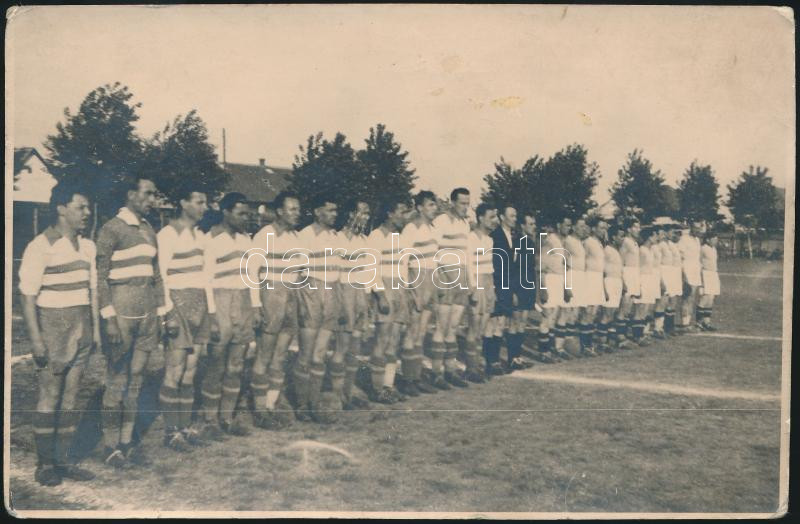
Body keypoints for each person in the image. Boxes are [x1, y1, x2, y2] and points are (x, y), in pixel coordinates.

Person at [20, 181, 99, 486]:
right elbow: (27, 296)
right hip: (53, 329)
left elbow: (91, 292)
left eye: (88, 207)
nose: (87, 213)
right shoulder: (40, 245)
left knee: (71, 396)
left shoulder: (88, 247)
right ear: (61, 208)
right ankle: (44, 464)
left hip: (81, 329)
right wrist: (36, 339)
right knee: (50, 395)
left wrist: (93, 332)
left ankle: (63, 460)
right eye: (81, 207)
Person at [96, 177, 167, 469]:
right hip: (121, 308)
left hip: (147, 309)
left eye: (154, 194)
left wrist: (161, 312)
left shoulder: (150, 229)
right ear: (130, 194)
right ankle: (109, 446)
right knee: (117, 379)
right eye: (147, 194)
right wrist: (109, 317)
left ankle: (127, 443)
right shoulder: (112, 228)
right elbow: (100, 277)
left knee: (136, 379)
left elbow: (157, 274)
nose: (152, 200)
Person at [200, 192, 261, 438]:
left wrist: (255, 306)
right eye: (240, 213)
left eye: (247, 214)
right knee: (216, 363)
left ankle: (227, 418)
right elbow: (205, 280)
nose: (246, 218)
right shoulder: (210, 239)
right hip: (220, 301)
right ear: (226, 212)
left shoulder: (247, 240)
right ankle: (210, 420)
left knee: (236, 365)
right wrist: (212, 315)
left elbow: (252, 276)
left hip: (243, 302)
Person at [156, 186, 211, 451]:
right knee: (175, 370)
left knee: (190, 370)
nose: (204, 207)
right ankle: (170, 432)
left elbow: (206, 277)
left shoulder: (201, 236)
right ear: (183, 202)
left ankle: (184, 427)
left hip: (200, 305)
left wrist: (209, 311)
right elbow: (160, 277)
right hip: (177, 305)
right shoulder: (167, 235)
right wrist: (167, 313)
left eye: (205, 202)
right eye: (199, 201)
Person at [249, 191, 303, 430]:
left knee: (280, 356)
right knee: (264, 355)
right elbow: (252, 272)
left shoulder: (296, 237)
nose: (297, 213)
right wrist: (256, 305)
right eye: (292, 209)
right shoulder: (264, 235)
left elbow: (301, 270)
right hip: (270, 294)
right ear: (280, 211)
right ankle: (260, 410)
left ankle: (272, 406)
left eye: (298, 209)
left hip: (291, 296)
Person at [293, 197, 343, 423]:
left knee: (320, 354)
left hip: (331, 291)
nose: (334, 214)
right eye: (330, 210)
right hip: (311, 290)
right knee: (306, 353)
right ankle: (301, 404)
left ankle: (314, 402)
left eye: (336, 210)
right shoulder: (305, 235)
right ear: (317, 211)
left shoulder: (335, 236)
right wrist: (304, 298)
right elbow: (298, 272)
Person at [363, 201, 412, 403]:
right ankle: (376, 389)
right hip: (385, 289)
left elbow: (404, 267)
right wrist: (380, 294)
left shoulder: (400, 237)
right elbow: (371, 268)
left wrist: (406, 289)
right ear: (390, 213)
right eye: (402, 212)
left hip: (400, 290)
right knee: (382, 341)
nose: (405, 216)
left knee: (394, 341)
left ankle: (388, 385)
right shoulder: (376, 236)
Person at [397, 191, 440, 395]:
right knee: (412, 332)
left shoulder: (433, 228)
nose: (434, 208)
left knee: (422, 333)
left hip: (431, 280)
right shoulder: (411, 228)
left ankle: (416, 377)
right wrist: (408, 288)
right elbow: (403, 261)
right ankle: (407, 380)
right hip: (417, 279)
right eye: (430, 205)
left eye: (435, 204)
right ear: (420, 207)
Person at [430, 188, 472, 389]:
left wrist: (469, 280)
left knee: (453, 327)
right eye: (462, 203)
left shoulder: (465, 224)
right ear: (452, 202)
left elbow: (467, 255)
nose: (465, 207)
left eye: (467, 203)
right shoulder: (441, 221)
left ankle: (450, 370)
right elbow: (434, 251)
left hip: (461, 277)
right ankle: (436, 374)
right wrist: (444, 275)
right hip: (446, 277)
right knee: (442, 326)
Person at [337, 200, 377, 408]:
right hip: (343, 293)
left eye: (368, 214)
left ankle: (348, 391)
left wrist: (367, 298)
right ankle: (337, 395)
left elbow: (368, 271)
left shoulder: (365, 240)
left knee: (355, 347)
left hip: (360, 294)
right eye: (363, 213)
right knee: (342, 346)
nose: (366, 217)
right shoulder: (337, 239)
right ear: (351, 214)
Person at [467, 204, 502, 379]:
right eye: (491, 217)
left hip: (488, 281)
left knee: (482, 328)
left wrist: (492, 288)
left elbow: (489, 267)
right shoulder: (471, 238)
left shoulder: (489, 240)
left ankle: (478, 365)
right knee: (474, 327)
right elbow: (468, 265)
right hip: (477, 281)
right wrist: (473, 287)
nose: (494, 221)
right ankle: (471, 369)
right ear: (481, 218)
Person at [490, 206, 521, 371]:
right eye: (511, 215)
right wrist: (496, 287)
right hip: (499, 284)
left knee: (509, 321)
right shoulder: (494, 236)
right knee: (497, 322)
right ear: (502, 217)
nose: (515, 218)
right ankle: (492, 361)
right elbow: (495, 265)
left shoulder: (514, 236)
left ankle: (512, 359)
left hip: (511, 284)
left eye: (515, 216)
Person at [539, 221, 571, 361]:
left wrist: (565, 286)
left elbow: (562, 267)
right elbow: (541, 266)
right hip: (550, 279)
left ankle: (556, 348)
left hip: (559, 280)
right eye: (566, 225)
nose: (568, 228)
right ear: (559, 225)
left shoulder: (561, 242)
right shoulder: (549, 241)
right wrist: (543, 288)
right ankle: (544, 352)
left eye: (570, 225)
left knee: (556, 316)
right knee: (547, 317)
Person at [511, 213, 539, 366]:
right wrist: (513, 291)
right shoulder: (517, 242)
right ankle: (512, 359)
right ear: (522, 226)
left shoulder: (530, 242)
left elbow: (531, 268)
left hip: (528, 286)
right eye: (530, 224)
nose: (533, 227)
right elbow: (512, 267)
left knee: (522, 323)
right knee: (514, 322)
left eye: (534, 224)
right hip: (517, 286)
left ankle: (518, 357)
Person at [581, 217, 607, 355]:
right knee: (588, 312)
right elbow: (582, 261)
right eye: (601, 228)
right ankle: (585, 346)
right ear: (593, 228)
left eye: (605, 228)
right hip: (589, 277)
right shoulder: (588, 242)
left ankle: (589, 344)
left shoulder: (599, 243)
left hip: (598, 278)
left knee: (594, 312)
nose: (603, 230)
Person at [561, 217, 586, 357]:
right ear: (574, 227)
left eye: (584, 226)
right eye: (581, 226)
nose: (584, 229)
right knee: (568, 311)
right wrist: (566, 284)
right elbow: (563, 262)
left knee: (576, 312)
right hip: (572, 275)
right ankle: (564, 343)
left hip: (580, 277)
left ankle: (569, 341)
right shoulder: (568, 241)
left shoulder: (580, 242)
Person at [600, 224, 626, 351]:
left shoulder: (617, 251)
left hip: (617, 282)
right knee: (607, 313)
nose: (623, 239)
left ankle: (610, 341)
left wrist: (623, 283)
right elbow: (602, 271)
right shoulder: (607, 250)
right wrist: (604, 288)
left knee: (613, 313)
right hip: (609, 282)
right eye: (620, 236)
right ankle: (602, 343)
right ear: (614, 237)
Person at [617, 219, 642, 347]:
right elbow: (620, 261)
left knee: (630, 307)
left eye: (639, 227)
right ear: (628, 229)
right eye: (635, 227)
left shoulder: (635, 243)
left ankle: (626, 334)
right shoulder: (625, 242)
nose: (638, 229)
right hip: (627, 273)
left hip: (634, 273)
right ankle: (620, 337)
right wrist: (622, 279)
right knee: (624, 305)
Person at [678, 221, 704, 332]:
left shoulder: (697, 240)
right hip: (687, 270)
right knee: (687, 297)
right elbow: (680, 256)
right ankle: (684, 323)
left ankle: (688, 322)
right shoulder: (684, 239)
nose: (697, 230)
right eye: (695, 228)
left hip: (695, 271)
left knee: (692, 297)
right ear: (691, 228)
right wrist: (683, 274)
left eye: (699, 228)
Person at [698, 231, 720, 331]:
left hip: (713, 274)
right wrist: (701, 278)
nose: (716, 241)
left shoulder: (714, 249)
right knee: (704, 298)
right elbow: (699, 263)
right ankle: (698, 323)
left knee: (711, 299)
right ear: (707, 239)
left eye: (716, 239)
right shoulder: (703, 248)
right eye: (714, 239)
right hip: (705, 274)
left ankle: (706, 323)